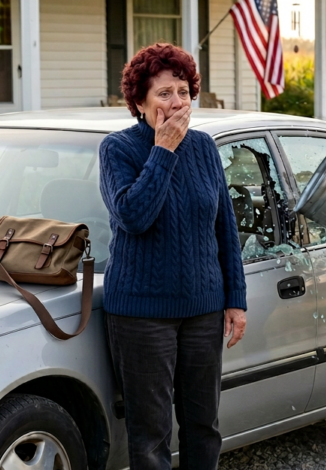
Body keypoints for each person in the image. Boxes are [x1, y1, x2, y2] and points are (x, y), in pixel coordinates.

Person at [99, 43, 248, 470]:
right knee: (151, 437)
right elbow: (134, 216)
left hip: (203, 310)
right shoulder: (117, 150)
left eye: (183, 91)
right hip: (142, 316)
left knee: (204, 427)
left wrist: (235, 300)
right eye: (164, 93)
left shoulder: (204, 147)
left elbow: (225, 227)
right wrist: (162, 150)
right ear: (139, 102)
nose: (177, 102)